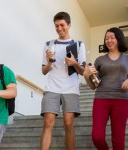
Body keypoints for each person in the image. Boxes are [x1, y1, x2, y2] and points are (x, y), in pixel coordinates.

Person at [40, 12, 86, 150]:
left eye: (62, 25)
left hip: (71, 88)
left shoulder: (78, 44)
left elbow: (83, 71)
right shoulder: (48, 44)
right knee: (48, 123)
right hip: (51, 87)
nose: (59, 28)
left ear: (69, 25)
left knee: (68, 123)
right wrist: (48, 62)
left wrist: (74, 63)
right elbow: (44, 71)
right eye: (56, 26)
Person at [83, 27, 128, 150]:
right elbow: (93, 85)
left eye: (112, 37)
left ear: (118, 39)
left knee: (118, 139)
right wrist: (86, 75)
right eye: (107, 38)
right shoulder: (99, 60)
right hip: (101, 99)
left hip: (122, 99)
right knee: (97, 137)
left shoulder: (127, 58)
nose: (109, 40)